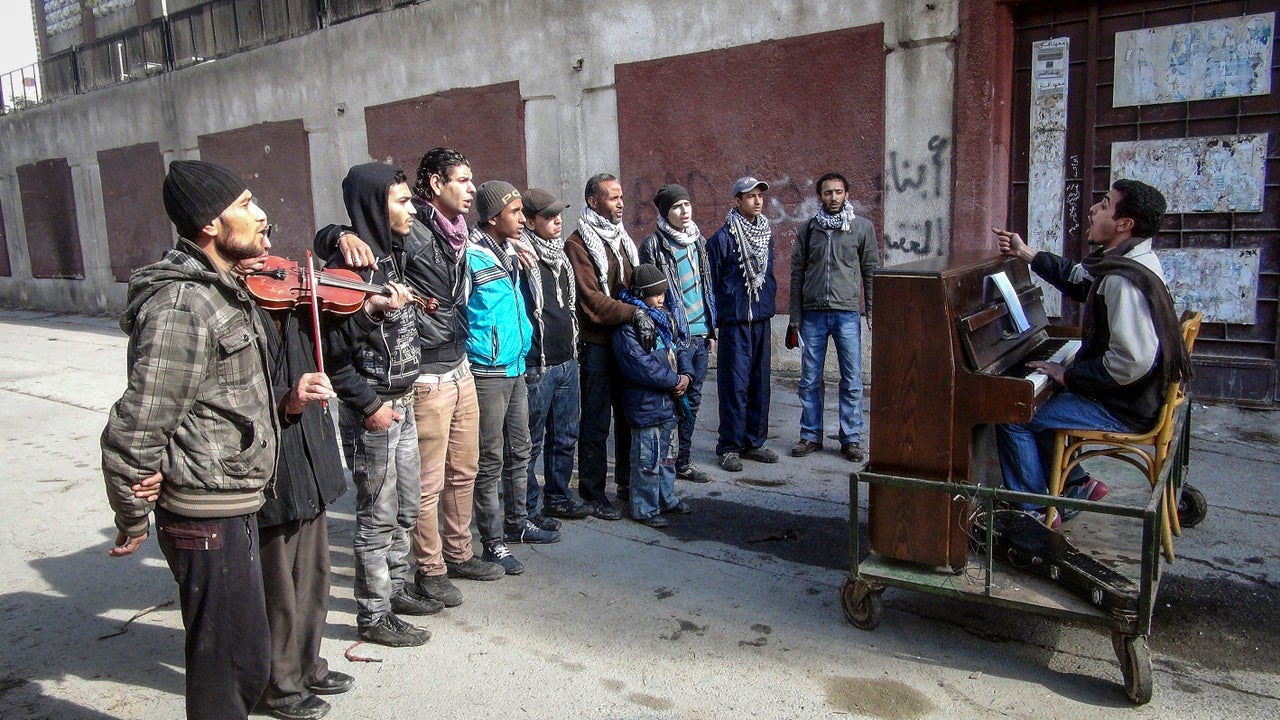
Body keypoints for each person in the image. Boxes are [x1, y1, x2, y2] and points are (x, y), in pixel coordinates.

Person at [101, 160, 284, 719]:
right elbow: (137, 425)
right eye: (246, 204)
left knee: (244, 659)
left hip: (231, 499)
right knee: (226, 672)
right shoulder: (184, 306)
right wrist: (132, 514)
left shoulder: (221, 290)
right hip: (204, 512)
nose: (261, 214)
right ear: (210, 223)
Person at [992, 179, 1192, 524]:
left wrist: (1068, 374)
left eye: (1105, 204)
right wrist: (1025, 254)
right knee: (1040, 403)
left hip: (1129, 407)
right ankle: (1078, 484)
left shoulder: (1123, 281)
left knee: (1016, 414)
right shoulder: (1126, 259)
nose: (1093, 210)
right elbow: (1077, 278)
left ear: (1123, 224)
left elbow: (1131, 362)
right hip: (1135, 396)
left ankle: (1034, 511)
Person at [315, 162, 435, 647]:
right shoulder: (345, 272)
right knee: (377, 515)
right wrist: (369, 407)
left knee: (406, 507)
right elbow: (333, 354)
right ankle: (374, 613)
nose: (412, 209)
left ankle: (399, 588)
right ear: (373, 207)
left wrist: (336, 231)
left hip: (402, 401)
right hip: (376, 412)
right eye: (401, 202)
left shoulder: (391, 252)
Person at [235, 249, 354, 720]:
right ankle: (278, 685)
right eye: (256, 246)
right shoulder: (237, 311)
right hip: (274, 465)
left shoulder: (300, 306)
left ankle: (308, 664)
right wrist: (287, 401)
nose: (270, 258)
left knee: (315, 575)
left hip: (312, 457)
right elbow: (233, 397)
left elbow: (344, 345)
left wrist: (369, 305)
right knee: (278, 588)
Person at [466, 180, 558, 577]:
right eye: (515, 212)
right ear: (492, 218)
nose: (523, 220)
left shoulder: (510, 252)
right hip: (487, 372)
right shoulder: (468, 257)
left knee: (520, 451)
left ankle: (517, 524)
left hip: (516, 367)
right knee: (490, 460)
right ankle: (492, 543)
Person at [565, 173, 656, 519]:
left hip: (625, 341)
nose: (621, 203)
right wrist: (635, 313)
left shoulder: (622, 240)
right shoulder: (578, 244)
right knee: (596, 422)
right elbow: (591, 301)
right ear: (593, 202)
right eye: (613, 198)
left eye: (621, 197)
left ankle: (627, 485)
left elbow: (635, 285)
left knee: (628, 415)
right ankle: (592, 493)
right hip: (596, 345)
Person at [788, 172, 879, 463]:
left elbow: (871, 271)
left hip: (847, 314)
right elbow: (797, 273)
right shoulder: (809, 230)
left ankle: (850, 439)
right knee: (809, 379)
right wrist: (795, 316)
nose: (834, 198)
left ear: (847, 194)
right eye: (828, 193)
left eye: (838, 192)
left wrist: (872, 310)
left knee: (852, 379)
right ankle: (810, 435)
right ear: (820, 197)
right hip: (813, 315)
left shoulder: (862, 229)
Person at [520, 187, 593, 521]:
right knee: (531, 442)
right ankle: (527, 510)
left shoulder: (560, 256)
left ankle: (559, 498)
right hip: (538, 365)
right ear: (530, 221)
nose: (556, 222)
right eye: (548, 217)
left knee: (565, 436)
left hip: (567, 359)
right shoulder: (520, 257)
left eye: (558, 215)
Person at [639, 184, 717, 484]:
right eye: (676, 206)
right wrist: (667, 332)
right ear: (665, 212)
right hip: (677, 336)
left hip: (701, 332)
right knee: (675, 399)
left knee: (694, 400)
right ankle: (667, 464)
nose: (684, 211)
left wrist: (711, 329)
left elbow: (706, 285)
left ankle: (682, 461)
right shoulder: (654, 245)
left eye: (687, 204)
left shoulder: (699, 241)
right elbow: (652, 294)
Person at [613, 264, 696, 527]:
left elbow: (680, 348)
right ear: (640, 294)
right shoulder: (627, 327)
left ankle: (666, 498)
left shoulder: (664, 318)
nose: (661, 298)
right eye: (655, 294)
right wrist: (674, 380)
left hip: (669, 404)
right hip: (646, 405)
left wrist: (686, 376)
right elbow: (640, 366)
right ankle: (645, 508)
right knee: (647, 460)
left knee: (668, 457)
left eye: (663, 292)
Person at [706, 176, 779, 472]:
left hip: (760, 319)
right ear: (737, 201)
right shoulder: (722, 239)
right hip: (735, 322)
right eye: (750, 196)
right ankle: (729, 446)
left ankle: (753, 442)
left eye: (760, 195)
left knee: (760, 384)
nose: (757, 200)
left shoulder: (766, 234)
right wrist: (712, 325)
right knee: (734, 386)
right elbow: (710, 283)